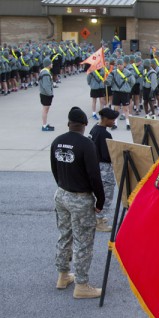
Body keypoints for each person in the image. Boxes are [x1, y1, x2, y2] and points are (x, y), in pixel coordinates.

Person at [50, 107, 105, 299]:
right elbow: (94, 176)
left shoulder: (57, 141)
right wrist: (101, 199)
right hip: (80, 198)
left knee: (64, 235)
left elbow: (54, 169)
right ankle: (81, 285)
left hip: (62, 194)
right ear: (85, 124)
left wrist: (63, 185)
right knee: (83, 242)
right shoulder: (86, 144)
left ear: (68, 124)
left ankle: (63, 275)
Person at [88, 107, 119, 232]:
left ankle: (97, 217)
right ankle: (99, 221)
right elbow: (108, 154)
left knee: (98, 193)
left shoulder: (94, 129)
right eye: (112, 120)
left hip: (95, 165)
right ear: (105, 119)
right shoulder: (105, 134)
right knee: (107, 193)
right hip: (104, 167)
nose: (114, 122)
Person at [39, 57, 55, 131]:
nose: (52, 64)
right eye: (51, 63)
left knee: (46, 109)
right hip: (46, 94)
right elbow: (46, 86)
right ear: (48, 64)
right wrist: (50, 93)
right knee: (45, 109)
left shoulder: (45, 71)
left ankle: (45, 124)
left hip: (45, 93)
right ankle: (44, 126)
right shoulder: (45, 73)